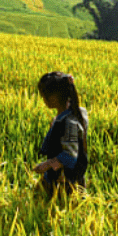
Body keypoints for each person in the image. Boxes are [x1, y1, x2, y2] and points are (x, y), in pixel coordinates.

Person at [30, 70, 88, 198]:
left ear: (53, 98)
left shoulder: (69, 123)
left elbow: (70, 156)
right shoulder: (77, 112)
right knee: (36, 198)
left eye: (43, 96)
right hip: (59, 173)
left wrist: (46, 165)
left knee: (51, 208)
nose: (43, 100)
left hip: (66, 179)